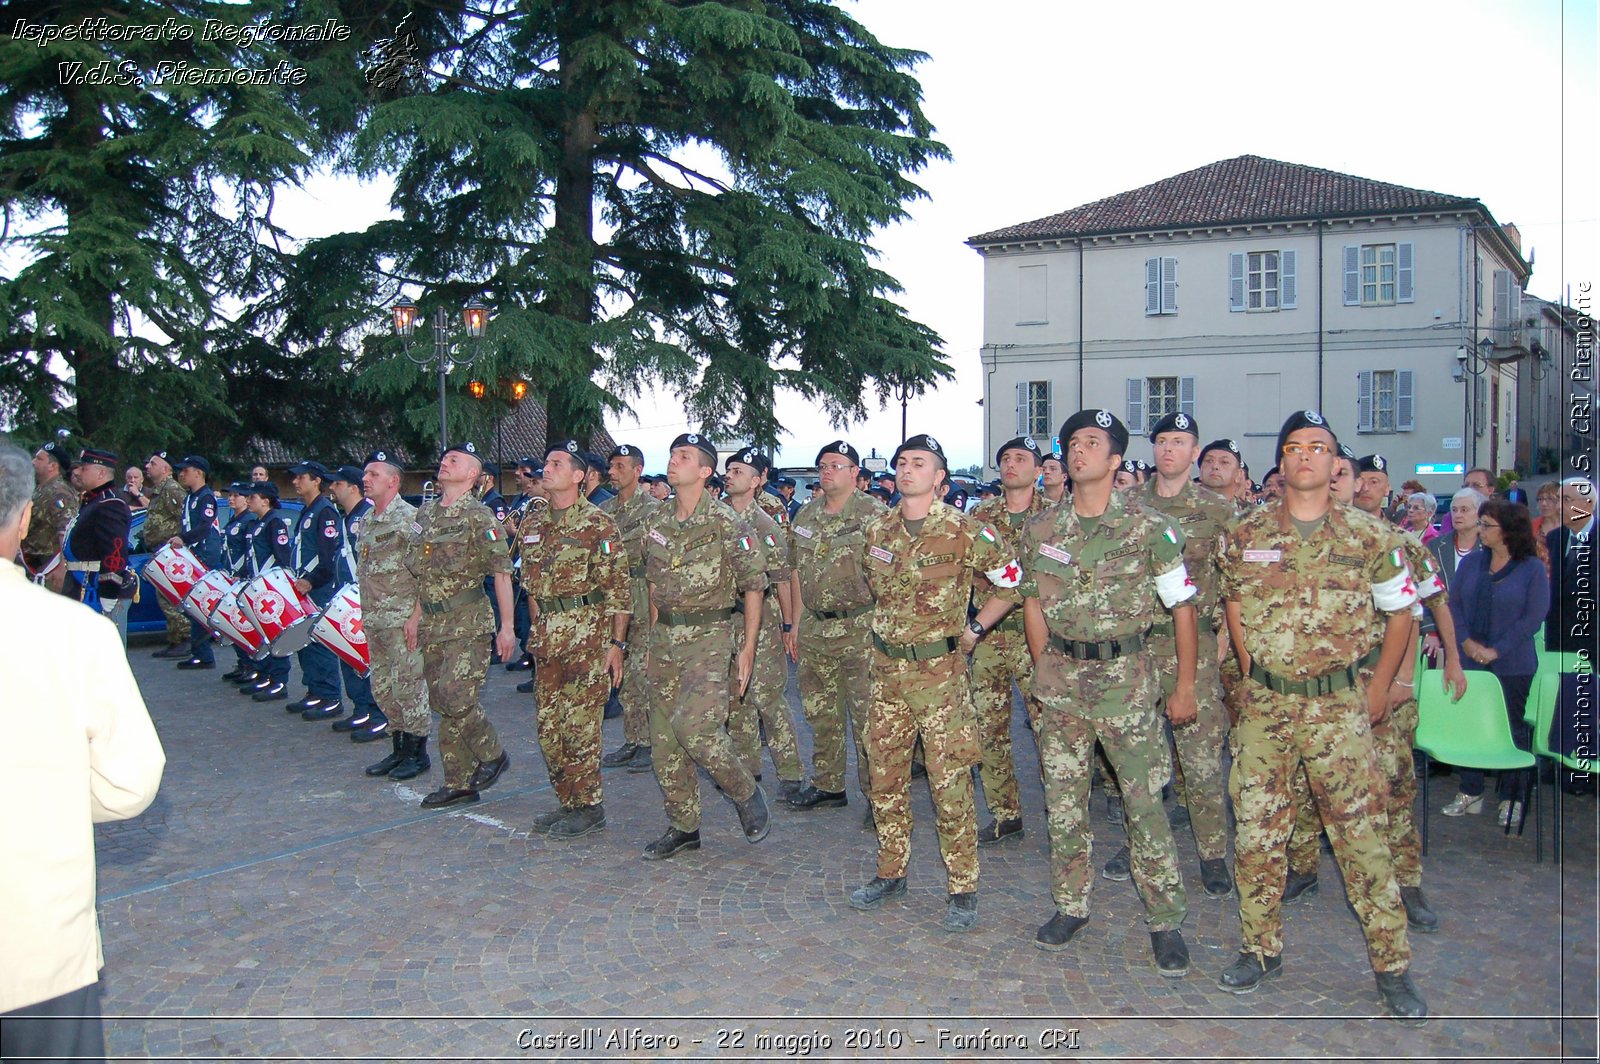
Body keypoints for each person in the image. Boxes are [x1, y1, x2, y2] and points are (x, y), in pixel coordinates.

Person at [1215, 410, 1427, 1025]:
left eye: (1318, 448)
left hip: (1339, 708)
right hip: (1265, 707)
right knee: (1257, 831)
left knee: (1361, 837)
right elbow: (1232, 602)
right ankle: (1260, 948)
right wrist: (1252, 664)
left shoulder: (1371, 538)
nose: (1305, 456)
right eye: (1293, 447)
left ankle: (1391, 967)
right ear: (1281, 463)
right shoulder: (1244, 532)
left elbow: (1401, 614)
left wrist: (1381, 686)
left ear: (1337, 465)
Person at [0, 438, 166, 1063]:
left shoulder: (112, 504)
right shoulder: (71, 637)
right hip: (31, 943)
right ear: (22, 519)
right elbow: (128, 782)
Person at [1015, 410, 1196, 974]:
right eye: (1072, 442)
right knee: (1065, 804)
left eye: (1092, 443)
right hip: (1063, 684)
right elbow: (1033, 603)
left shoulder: (1150, 529)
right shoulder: (1042, 529)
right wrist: (1046, 666)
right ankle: (1071, 905)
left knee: (1143, 806)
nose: (1079, 450)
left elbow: (1182, 608)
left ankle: (1166, 919)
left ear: (1116, 459)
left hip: (1127, 685)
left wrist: (1184, 686)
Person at [850, 433, 1020, 933]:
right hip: (886, 674)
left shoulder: (967, 531)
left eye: (918, 463)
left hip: (941, 676)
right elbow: (877, 592)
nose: (906, 469)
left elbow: (1013, 581)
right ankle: (890, 871)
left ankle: (962, 887)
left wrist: (974, 628)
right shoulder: (878, 528)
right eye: (901, 461)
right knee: (885, 779)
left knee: (950, 785)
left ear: (940, 477)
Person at [1112, 411, 1236, 900]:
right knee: (1136, 757)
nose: (1168, 450)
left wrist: (1225, 633)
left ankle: (1212, 853)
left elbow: (1235, 580)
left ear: (1194, 451)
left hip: (1195, 648)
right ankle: (1140, 843)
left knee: (1201, 757)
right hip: (1137, 645)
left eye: (1179, 442)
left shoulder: (1218, 510)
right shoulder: (1126, 505)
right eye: (1162, 440)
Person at [638, 432, 772, 859]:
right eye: (673, 453)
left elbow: (754, 585)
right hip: (664, 640)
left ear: (704, 471)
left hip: (709, 637)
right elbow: (655, 586)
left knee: (696, 728)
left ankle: (743, 789)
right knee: (664, 740)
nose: (673, 461)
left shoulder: (727, 522)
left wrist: (747, 647)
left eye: (684, 456)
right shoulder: (656, 523)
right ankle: (684, 826)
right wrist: (650, 643)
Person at [519, 442, 630, 837]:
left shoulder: (598, 525)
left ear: (579, 476)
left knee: (581, 725)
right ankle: (568, 801)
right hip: (547, 639)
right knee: (549, 727)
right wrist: (535, 628)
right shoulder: (533, 523)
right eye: (546, 463)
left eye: (556, 464)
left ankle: (590, 805)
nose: (546, 469)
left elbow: (619, 591)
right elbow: (530, 585)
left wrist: (616, 646)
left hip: (588, 638)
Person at [403, 442, 516, 807]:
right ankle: (458, 783)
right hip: (433, 623)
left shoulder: (480, 517)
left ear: (472, 475)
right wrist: (415, 617)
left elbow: (501, 573)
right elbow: (422, 575)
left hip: (467, 624)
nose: (445, 462)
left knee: (456, 695)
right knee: (443, 701)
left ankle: (493, 753)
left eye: (455, 460)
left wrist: (508, 627)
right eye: (444, 458)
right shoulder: (426, 515)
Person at [966, 435, 1052, 846]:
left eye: (1021, 458)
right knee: (989, 729)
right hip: (990, 635)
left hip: (1041, 638)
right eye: (1005, 458)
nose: (1011, 464)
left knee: (1048, 728)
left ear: (1039, 470)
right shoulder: (981, 515)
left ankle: (1063, 810)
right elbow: (968, 572)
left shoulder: (1056, 517)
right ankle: (1005, 813)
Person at [786, 441, 879, 813]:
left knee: (868, 716)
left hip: (861, 627)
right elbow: (794, 571)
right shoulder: (805, 517)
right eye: (822, 465)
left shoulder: (875, 515)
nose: (827, 471)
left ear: (855, 472)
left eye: (836, 465)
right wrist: (793, 623)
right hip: (815, 627)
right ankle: (828, 784)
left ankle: (879, 798)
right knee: (820, 711)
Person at [1444, 499, 1548, 825]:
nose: (1480, 530)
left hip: (1512, 662)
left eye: (1487, 525)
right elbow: (1454, 606)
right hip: (1469, 657)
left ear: (1507, 531)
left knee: (1513, 728)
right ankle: (1470, 790)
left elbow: (1532, 617)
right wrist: (1467, 643)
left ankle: (1512, 798)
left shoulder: (1530, 568)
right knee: (1471, 726)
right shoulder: (1473, 563)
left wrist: (1496, 650)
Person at [722, 448, 805, 799]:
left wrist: (790, 625)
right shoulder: (715, 517)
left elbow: (783, 578)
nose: (729, 475)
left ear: (756, 482)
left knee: (768, 696)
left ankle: (790, 772)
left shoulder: (766, 526)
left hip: (764, 618)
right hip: (725, 620)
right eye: (728, 470)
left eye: (738, 471)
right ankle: (746, 768)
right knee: (735, 697)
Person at [358, 451, 433, 781]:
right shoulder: (366, 521)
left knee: (409, 688)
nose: (366, 479)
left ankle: (418, 753)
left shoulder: (410, 519)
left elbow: (427, 573)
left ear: (393, 481)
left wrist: (416, 616)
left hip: (402, 620)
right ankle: (399, 748)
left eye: (374, 474)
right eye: (365, 474)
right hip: (375, 620)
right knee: (383, 689)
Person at [598, 446, 661, 772]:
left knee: (642, 671)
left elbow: (656, 565)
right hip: (613, 600)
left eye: (620, 466)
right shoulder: (605, 510)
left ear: (638, 470)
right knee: (619, 671)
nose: (613, 471)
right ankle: (633, 739)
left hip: (641, 593)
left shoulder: (654, 511)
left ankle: (650, 741)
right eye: (611, 465)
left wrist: (654, 619)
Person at [326, 465, 388, 740]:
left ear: (352, 488)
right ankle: (362, 707)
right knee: (350, 656)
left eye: (337, 484)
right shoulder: (345, 517)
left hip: (366, 596)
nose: (332, 488)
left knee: (370, 658)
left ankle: (380, 715)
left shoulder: (369, 516)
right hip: (347, 596)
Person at [286, 461, 346, 719]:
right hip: (303, 585)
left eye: (301, 478)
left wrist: (312, 579)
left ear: (316, 481)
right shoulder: (309, 510)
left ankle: (330, 696)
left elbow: (328, 554)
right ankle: (315, 690)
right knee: (304, 640)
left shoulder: (325, 511)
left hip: (317, 586)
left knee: (319, 641)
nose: (295, 482)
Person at [63, 449, 137, 642]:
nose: (79, 472)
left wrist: (109, 591)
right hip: (81, 582)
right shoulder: (95, 500)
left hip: (93, 588)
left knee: (100, 647)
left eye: (84, 468)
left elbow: (115, 549)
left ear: (101, 473)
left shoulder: (110, 503)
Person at [239, 481, 295, 701]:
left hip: (269, 587)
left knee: (274, 633)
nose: (249, 500)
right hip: (257, 586)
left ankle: (279, 680)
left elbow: (282, 555)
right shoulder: (256, 523)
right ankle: (265, 674)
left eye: (253, 497)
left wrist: (280, 583)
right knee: (263, 634)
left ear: (266, 500)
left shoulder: (275, 522)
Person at [168, 456, 222, 670]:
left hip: (205, 555)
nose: (182, 474)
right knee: (193, 606)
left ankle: (204, 653)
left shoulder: (206, 497)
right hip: (194, 555)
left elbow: (205, 526)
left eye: (186, 470)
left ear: (199, 473)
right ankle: (200, 652)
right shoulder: (191, 497)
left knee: (200, 604)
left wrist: (184, 539)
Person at [143, 450, 191, 658]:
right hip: (160, 551)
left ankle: (185, 639)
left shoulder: (171, 489)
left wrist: (180, 540)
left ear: (165, 468)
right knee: (164, 597)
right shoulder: (158, 490)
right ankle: (175, 639)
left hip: (170, 552)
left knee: (170, 597)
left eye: (153, 463)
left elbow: (186, 516)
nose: (147, 466)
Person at [218, 482, 261, 684]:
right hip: (230, 576)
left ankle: (251, 664)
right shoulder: (233, 519)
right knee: (234, 622)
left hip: (241, 577)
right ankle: (242, 662)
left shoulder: (248, 521)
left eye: (237, 495)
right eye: (230, 495)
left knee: (244, 623)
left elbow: (249, 552)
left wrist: (242, 573)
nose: (231, 499)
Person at [22, 441, 78, 593]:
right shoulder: (41, 489)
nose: (33, 462)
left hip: (48, 567)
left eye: (39, 459)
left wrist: (62, 566)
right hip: (32, 564)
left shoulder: (59, 492)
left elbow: (66, 532)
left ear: (53, 466)